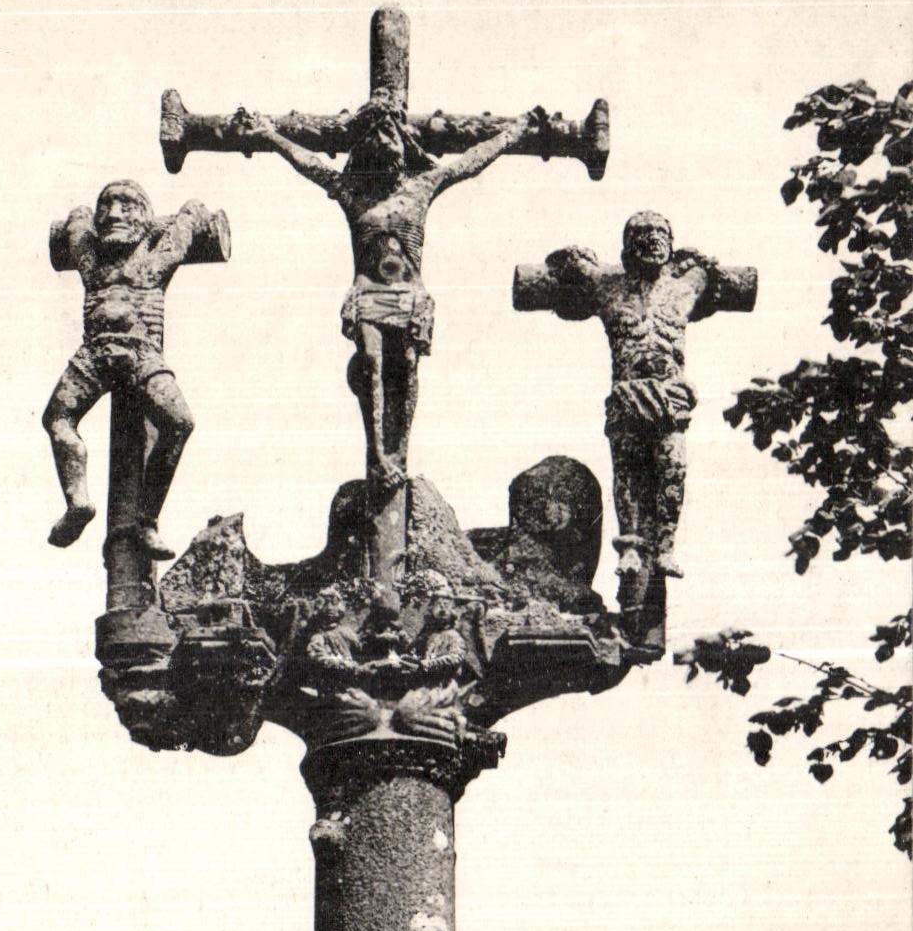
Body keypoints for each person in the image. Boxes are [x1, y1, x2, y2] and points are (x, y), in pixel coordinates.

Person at [233, 96, 546, 493]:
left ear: (403, 146)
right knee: (371, 364)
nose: (386, 149)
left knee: (407, 367)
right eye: (377, 142)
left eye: (392, 140)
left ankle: (399, 454)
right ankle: (379, 456)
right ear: (365, 150)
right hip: (368, 297)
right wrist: (269, 135)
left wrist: (514, 132)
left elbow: (471, 163)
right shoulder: (354, 193)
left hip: (409, 298)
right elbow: (309, 164)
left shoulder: (421, 187)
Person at [545, 211, 732, 579]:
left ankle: (665, 545)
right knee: (627, 469)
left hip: (669, 396)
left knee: (673, 466)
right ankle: (630, 546)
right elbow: (567, 268)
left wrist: (698, 260)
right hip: (628, 395)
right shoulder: (608, 286)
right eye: (642, 232)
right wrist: (570, 256)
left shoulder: (687, 285)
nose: (652, 239)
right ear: (627, 244)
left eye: (661, 231)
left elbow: (716, 274)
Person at [43, 180, 217, 557]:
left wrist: (191, 209)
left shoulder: (156, 258)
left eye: (126, 205)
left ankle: (146, 520)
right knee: (57, 418)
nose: (114, 214)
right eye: (106, 205)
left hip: (141, 354)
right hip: (95, 354)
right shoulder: (92, 260)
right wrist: (82, 215)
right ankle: (78, 504)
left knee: (179, 423)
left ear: (145, 217)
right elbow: (77, 223)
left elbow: (188, 221)